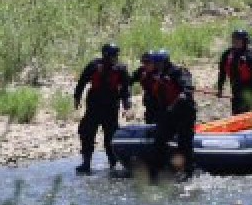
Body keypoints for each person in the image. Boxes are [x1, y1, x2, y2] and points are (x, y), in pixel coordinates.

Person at [73, 43, 131, 175]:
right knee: (87, 133)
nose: (115, 58)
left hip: (111, 107)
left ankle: (113, 163)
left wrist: (127, 105)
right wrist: (77, 98)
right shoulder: (93, 66)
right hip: (94, 106)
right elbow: (82, 82)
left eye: (116, 55)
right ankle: (86, 162)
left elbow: (125, 89)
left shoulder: (120, 68)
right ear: (105, 55)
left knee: (111, 136)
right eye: (112, 56)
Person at [145, 50, 197, 181]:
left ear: (165, 62)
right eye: (155, 63)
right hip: (169, 114)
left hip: (185, 112)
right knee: (159, 140)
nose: (157, 65)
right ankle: (156, 170)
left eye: (159, 63)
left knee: (184, 143)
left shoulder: (179, 72)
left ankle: (187, 171)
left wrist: (181, 96)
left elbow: (187, 89)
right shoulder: (157, 74)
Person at [216, 28, 252, 115]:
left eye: (238, 40)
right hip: (236, 95)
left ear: (245, 41)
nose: (235, 42)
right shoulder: (227, 54)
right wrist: (220, 89)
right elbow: (222, 73)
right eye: (234, 39)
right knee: (237, 116)